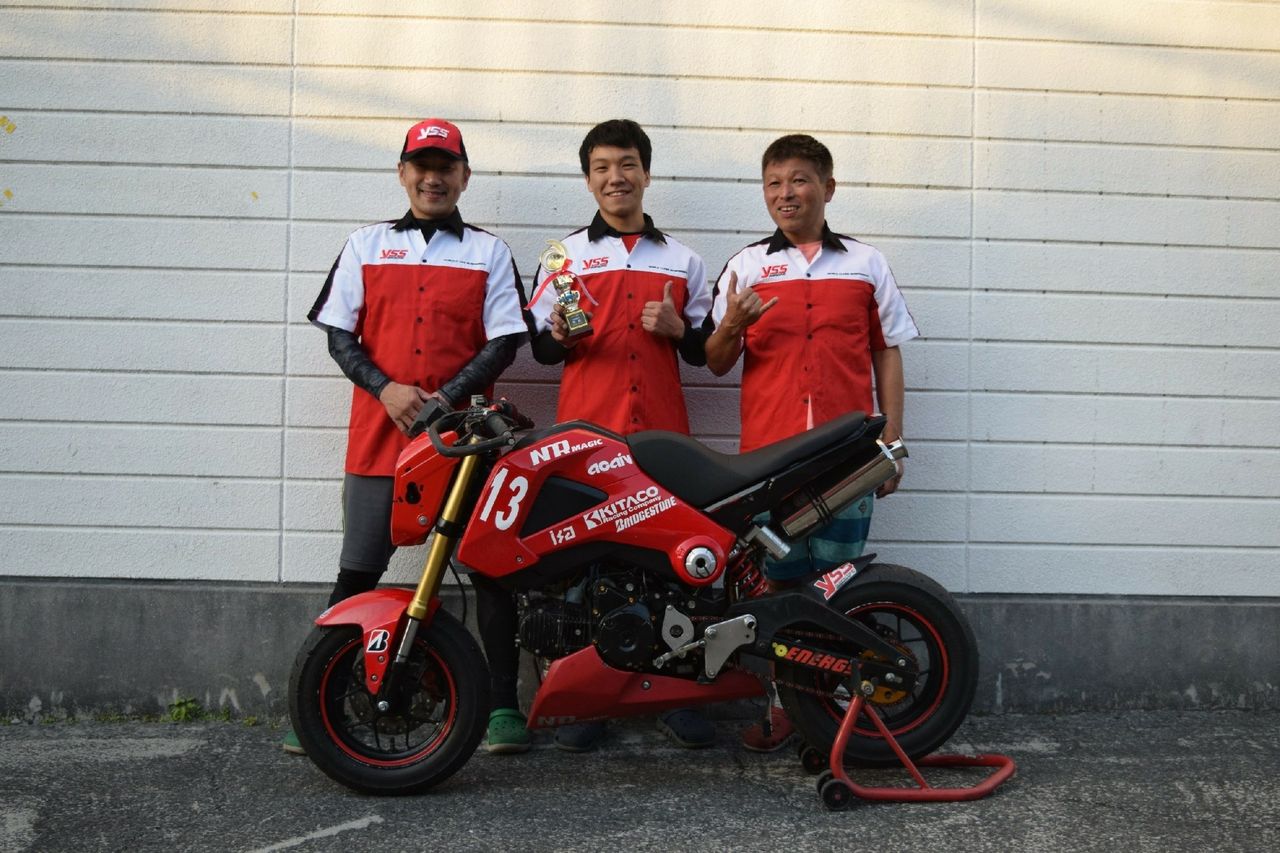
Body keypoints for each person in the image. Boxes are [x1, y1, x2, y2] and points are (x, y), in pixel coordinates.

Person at [295, 118, 532, 756]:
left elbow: (505, 341)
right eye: (421, 166)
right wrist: (386, 389)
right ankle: (322, 707)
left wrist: (445, 402)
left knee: (491, 575)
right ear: (402, 173)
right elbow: (339, 335)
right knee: (358, 573)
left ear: (464, 177)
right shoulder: (365, 244)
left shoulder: (488, 252)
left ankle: (504, 707)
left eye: (445, 166)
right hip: (379, 439)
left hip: (469, 444)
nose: (433, 177)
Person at [705, 133, 918, 751]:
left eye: (798, 180)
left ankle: (832, 715)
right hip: (769, 464)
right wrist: (733, 324)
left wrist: (892, 441)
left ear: (828, 187)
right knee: (777, 591)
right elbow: (716, 360)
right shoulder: (746, 265)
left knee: (839, 589)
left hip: (848, 458)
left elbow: (887, 353)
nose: (785, 193)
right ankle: (784, 707)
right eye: (773, 183)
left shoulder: (866, 264)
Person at [526, 118, 716, 752]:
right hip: (587, 438)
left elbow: (704, 350)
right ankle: (590, 699)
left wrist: (678, 331)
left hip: (664, 438)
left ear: (646, 173)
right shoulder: (562, 257)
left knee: (669, 564)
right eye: (602, 167)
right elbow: (541, 350)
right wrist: (558, 335)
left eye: (627, 164)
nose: (616, 177)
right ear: (588, 179)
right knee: (588, 566)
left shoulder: (683, 260)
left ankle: (679, 693)